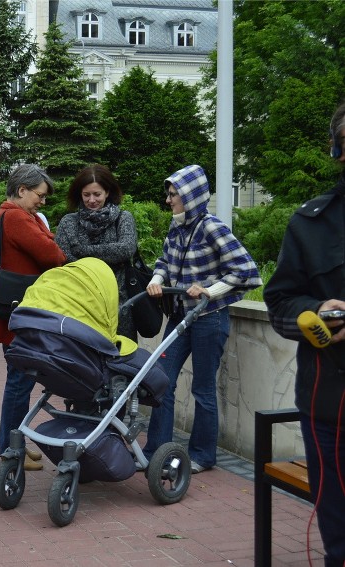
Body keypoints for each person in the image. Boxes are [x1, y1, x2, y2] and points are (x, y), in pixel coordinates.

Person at [263, 101, 345, 567]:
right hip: (331, 410)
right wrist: (317, 314)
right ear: (337, 150)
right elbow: (280, 304)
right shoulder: (311, 223)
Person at [143, 164, 261, 473]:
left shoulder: (212, 227)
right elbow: (164, 262)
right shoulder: (177, 228)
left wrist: (209, 289)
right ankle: (155, 450)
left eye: (173, 195)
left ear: (191, 196)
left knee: (203, 389)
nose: (169, 200)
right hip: (181, 316)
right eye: (168, 194)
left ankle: (202, 455)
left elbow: (246, 271)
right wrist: (157, 278)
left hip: (209, 319)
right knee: (161, 382)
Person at [0, 164, 66, 471]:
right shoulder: (17, 217)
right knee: (19, 382)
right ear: (22, 190)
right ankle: (10, 449)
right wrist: (54, 239)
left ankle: (12, 444)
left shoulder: (11, 216)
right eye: (40, 195)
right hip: (19, 313)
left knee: (18, 380)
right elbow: (53, 256)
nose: (43, 203)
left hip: (12, 310)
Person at [54, 164, 138, 340]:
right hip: (78, 305)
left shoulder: (124, 218)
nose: (92, 200)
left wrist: (82, 251)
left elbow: (125, 249)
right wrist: (107, 256)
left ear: (107, 192)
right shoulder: (69, 222)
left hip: (118, 306)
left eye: (97, 194)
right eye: (86, 195)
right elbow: (64, 258)